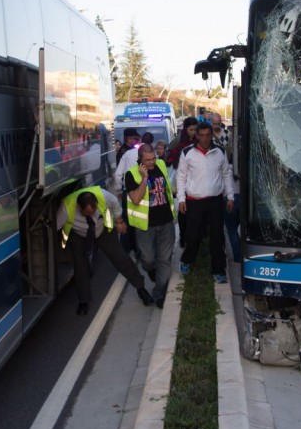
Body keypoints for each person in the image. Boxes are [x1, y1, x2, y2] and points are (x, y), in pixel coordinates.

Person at [56, 186, 153, 315]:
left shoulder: (105, 196)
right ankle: (83, 301)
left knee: (120, 257)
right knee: (80, 265)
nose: (92, 215)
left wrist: (119, 222)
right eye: (88, 214)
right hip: (79, 234)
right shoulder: (66, 208)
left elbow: (117, 208)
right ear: (79, 208)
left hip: (103, 230)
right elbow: (55, 227)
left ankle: (141, 288)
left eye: (94, 210)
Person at [176, 122, 235, 283]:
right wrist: (181, 199)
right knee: (193, 235)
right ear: (196, 136)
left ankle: (218, 269)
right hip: (194, 202)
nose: (204, 139)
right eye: (201, 135)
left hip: (215, 202)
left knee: (217, 236)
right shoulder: (188, 153)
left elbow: (226, 174)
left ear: (211, 135)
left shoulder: (220, 152)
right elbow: (181, 177)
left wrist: (230, 196)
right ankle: (187, 260)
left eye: (207, 135)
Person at [125, 144, 176, 308]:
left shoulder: (161, 164)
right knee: (148, 260)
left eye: (153, 158)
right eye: (148, 160)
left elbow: (168, 188)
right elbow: (135, 199)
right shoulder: (131, 174)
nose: (152, 162)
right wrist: (144, 178)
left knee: (164, 260)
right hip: (145, 227)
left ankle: (160, 293)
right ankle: (152, 271)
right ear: (140, 159)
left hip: (166, 222)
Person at [166, 117, 199, 249]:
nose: (193, 132)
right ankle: (183, 238)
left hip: (196, 181)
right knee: (183, 211)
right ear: (185, 129)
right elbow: (168, 158)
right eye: (191, 130)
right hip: (182, 181)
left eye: (195, 130)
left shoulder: (200, 140)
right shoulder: (177, 141)